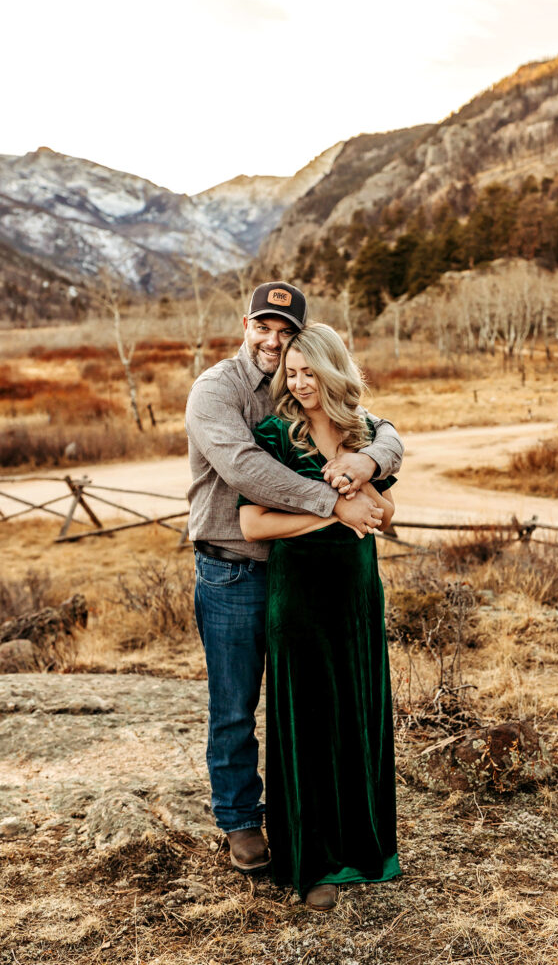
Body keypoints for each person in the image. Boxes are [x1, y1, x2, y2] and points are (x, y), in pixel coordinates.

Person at [185, 282, 403, 876]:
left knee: (302, 706)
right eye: (264, 327)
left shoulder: (298, 387)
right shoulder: (216, 391)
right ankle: (240, 822)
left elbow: (383, 430)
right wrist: (335, 505)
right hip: (232, 570)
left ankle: (317, 825)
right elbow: (246, 470)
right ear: (245, 325)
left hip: (297, 578)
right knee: (234, 707)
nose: (273, 341)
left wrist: (371, 462)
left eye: (285, 332)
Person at [238, 323, 400, 911]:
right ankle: (314, 865)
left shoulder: (363, 433)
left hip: (357, 591)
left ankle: (365, 849)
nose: (301, 383)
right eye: (293, 372)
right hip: (299, 595)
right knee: (307, 723)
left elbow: (385, 511)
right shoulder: (277, 435)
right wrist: (335, 512)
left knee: (358, 714)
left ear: (334, 371)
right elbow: (254, 524)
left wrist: (369, 498)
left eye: (311, 372)